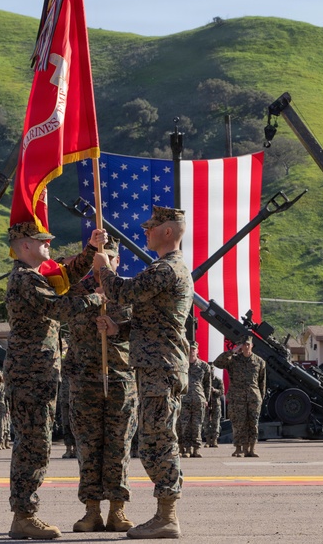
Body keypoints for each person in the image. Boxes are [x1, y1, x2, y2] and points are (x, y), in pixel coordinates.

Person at [95, 206, 193, 539]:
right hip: (156, 365)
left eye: (150, 227)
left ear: (168, 230)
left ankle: (167, 517)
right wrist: (118, 329)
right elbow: (151, 321)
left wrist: (104, 269)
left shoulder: (167, 269)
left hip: (160, 368)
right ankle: (164, 514)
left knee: (159, 442)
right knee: (154, 441)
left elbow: (123, 292)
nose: (145, 231)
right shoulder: (167, 269)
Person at [4, 221, 106, 540]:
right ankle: (24, 516)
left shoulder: (36, 276)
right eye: (42, 241)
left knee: (37, 442)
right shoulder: (24, 279)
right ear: (25, 246)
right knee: (32, 445)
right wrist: (96, 298)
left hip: (37, 373)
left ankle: (24, 513)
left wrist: (91, 250)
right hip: (30, 374)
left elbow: (64, 278)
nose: (48, 244)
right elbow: (58, 308)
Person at [64, 236, 138, 533]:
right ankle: (91, 510)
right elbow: (62, 313)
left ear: (116, 262)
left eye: (108, 259)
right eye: (98, 259)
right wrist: (93, 299)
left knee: (119, 447)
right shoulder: (76, 291)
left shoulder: (129, 292)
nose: (102, 264)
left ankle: (117, 510)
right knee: (88, 448)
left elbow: (142, 332)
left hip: (120, 380)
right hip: (84, 380)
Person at [213, 335, 267, 457]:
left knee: (253, 423)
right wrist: (232, 351)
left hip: (253, 397)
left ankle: (251, 449)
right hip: (237, 398)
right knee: (238, 423)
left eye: (248, 344)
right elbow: (217, 363)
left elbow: (262, 382)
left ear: (252, 346)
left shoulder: (259, 362)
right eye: (244, 345)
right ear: (241, 346)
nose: (246, 347)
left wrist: (260, 398)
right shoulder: (233, 360)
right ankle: (238, 449)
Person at [179, 341, 212, 459]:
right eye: (190, 349)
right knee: (185, 424)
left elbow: (208, 384)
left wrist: (207, 399)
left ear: (197, 351)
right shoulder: (182, 365)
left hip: (198, 398)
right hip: (184, 399)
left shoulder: (204, 366)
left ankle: (196, 449)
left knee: (197, 425)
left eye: (194, 349)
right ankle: (187, 449)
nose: (192, 351)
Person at [202, 372, 224, 448]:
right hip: (206, 404)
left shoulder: (218, 380)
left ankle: (214, 440)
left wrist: (215, 390)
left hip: (216, 404)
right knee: (206, 422)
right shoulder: (204, 380)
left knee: (216, 422)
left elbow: (222, 392)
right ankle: (208, 440)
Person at [59, 371, 76, 458]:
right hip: (65, 394)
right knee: (66, 422)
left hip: (75, 392)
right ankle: (68, 449)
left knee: (76, 422)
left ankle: (76, 449)